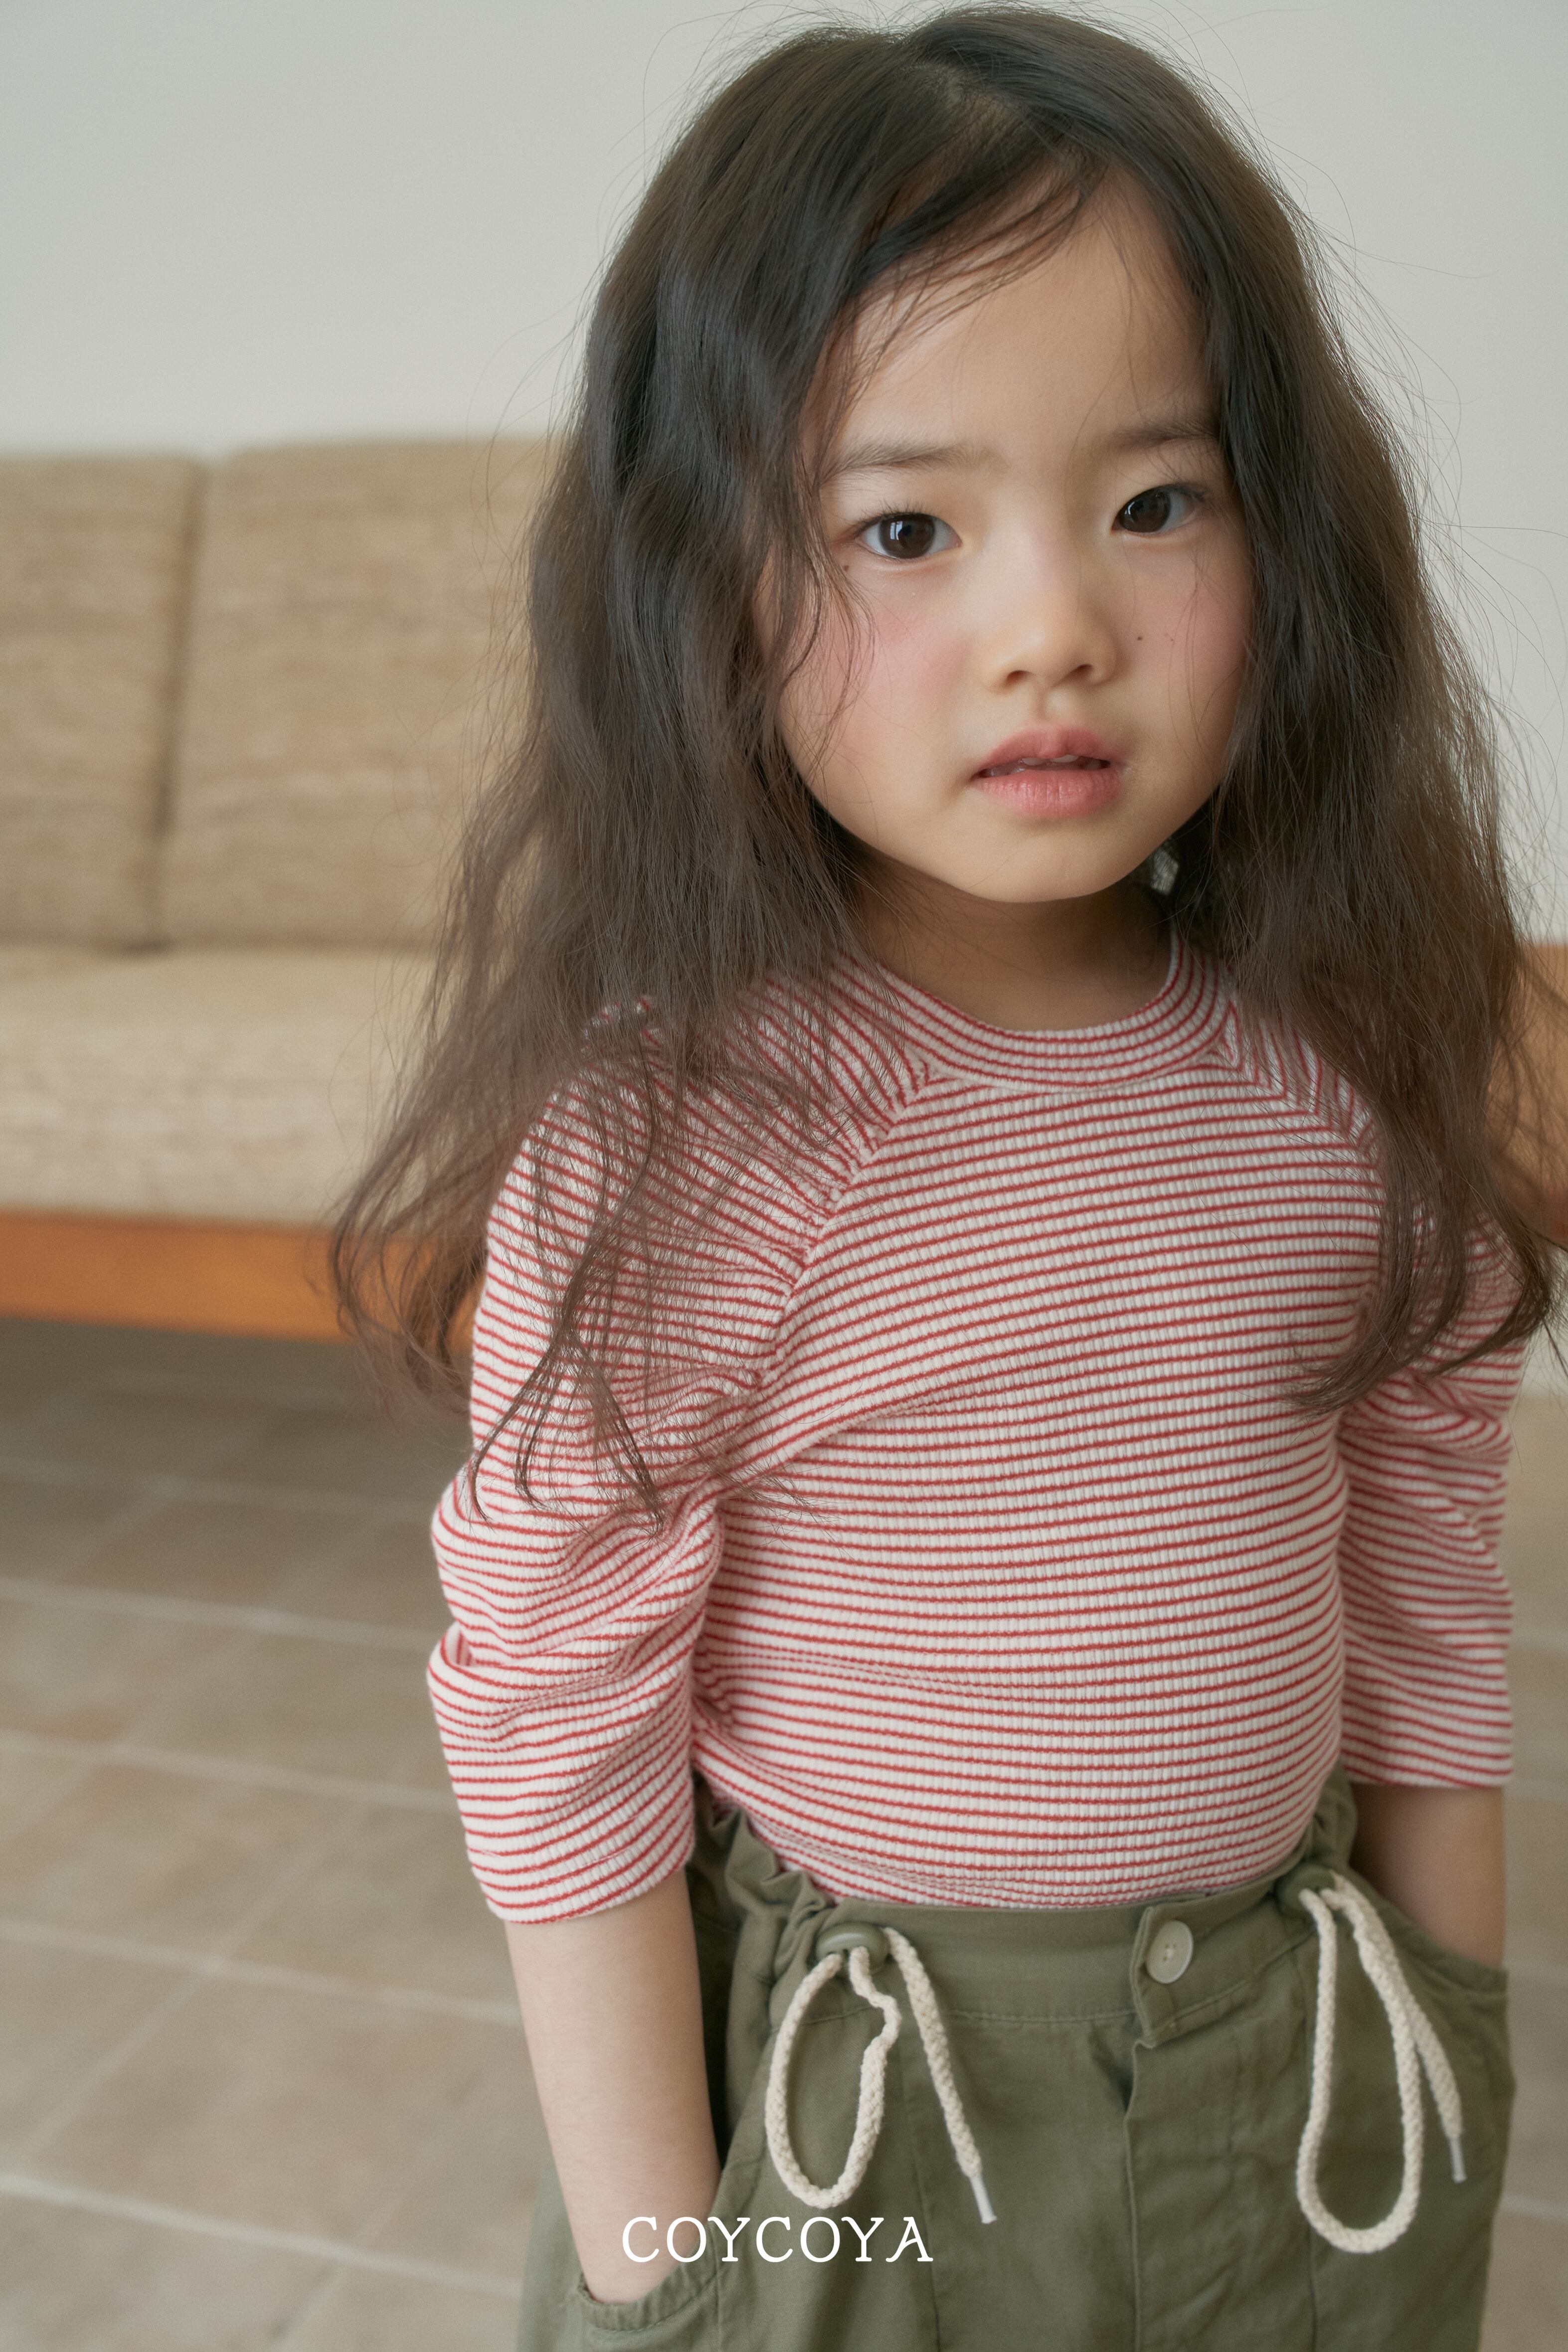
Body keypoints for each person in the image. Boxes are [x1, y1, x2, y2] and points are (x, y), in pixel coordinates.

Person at [334, 10, 1567, 2348]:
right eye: (905, 530)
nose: (1053, 630)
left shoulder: (1345, 1072)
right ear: (707, 585)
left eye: (1155, 503)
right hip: (865, 2126)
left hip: (1289, 2071)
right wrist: (672, 2271)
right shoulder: (695, 1147)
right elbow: (558, 1714)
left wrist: (1452, 2034)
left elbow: (1419, 1566)